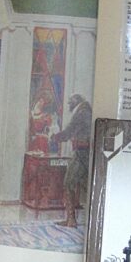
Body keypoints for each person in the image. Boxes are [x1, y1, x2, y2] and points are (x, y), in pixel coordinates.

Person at [52, 94, 92, 227]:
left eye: (70, 102)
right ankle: (72, 219)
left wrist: (55, 137)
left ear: (76, 101)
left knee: (69, 183)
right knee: (84, 185)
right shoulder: (86, 110)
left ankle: (71, 220)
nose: (69, 104)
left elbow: (69, 132)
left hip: (81, 153)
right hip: (85, 152)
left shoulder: (81, 112)